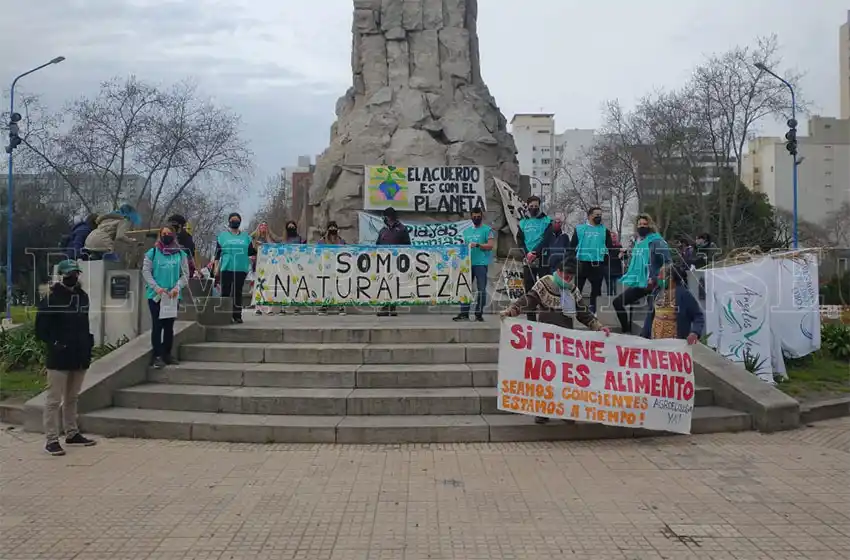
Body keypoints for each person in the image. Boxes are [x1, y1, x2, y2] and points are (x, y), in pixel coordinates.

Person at [500, 255, 612, 424]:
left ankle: (565, 411)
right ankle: (543, 411)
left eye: (570, 277)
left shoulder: (573, 290)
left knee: (565, 377)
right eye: (565, 275)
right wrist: (512, 311)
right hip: (544, 339)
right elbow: (528, 300)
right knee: (545, 375)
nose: (567, 279)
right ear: (558, 271)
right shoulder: (544, 283)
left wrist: (598, 326)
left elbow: (584, 313)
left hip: (565, 341)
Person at [34, 259, 97, 456]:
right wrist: (55, 344)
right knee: (54, 400)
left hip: (79, 354)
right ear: (62, 275)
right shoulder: (52, 298)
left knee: (72, 397)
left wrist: (87, 344)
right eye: (70, 274)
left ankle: (72, 432)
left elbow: (84, 323)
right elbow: (41, 329)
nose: (74, 277)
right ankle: (51, 439)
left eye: (76, 273)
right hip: (59, 356)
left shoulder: (82, 296)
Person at [613, 214, 670, 335]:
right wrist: (626, 256)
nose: (642, 227)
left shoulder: (657, 242)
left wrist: (654, 279)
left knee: (652, 312)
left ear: (650, 225)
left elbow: (668, 263)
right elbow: (636, 261)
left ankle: (646, 339)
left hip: (654, 284)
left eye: (645, 224)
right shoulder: (638, 242)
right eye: (640, 225)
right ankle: (626, 331)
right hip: (640, 282)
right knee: (617, 302)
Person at [142, 226, 189, 367]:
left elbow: (185, 274)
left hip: (172, 296)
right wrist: (157, 288)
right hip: (156, 295)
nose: (166, 236)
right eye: (164, 234)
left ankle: (167, 354)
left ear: (174, 236)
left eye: (169, 234)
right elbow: (146, 272)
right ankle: (156, 355)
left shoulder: (180, 254)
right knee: (157, 326)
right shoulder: (153, 253)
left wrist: (177, 287)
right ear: (160, 236)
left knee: (169, 326)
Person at [641, 262, 704, 344]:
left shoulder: (684, 295)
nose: (658, 277)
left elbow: (698, 316)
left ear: (670, 278)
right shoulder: (657, 291)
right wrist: (644, 335)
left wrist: (695, 332)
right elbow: (650, 315)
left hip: (674, 346)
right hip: (655, 342)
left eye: (661, 275)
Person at [569, 206, 614, 314]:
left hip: (597, 263)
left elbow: (609, 247)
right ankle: (576, 308)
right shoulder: (580, 229)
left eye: (600, 215)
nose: (599, 217)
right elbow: (572, 246)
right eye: (596, 215)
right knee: (578, 287)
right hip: (582, 262)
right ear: (589, 216)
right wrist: (571, 260)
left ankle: (594, 309)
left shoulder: (605, 231)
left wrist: (606, 261)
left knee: (596, 288)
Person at [453, 206, 494, 322]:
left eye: (478, 216)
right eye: (474, 216)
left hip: (481, 263)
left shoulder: (487, 230)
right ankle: (464, 313)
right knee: (465, 288)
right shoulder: (466, 232)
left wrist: (478, 245)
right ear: (471, 217)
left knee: (481, 289)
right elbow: (463, 247)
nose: (476, 218)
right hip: (468, 264)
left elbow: (490, 245)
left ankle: (478, 313)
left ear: (482, 216)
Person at [214, 212, 256, 324]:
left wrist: (257, 243)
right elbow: (217, 254)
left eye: (237, 220)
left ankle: (237, 315)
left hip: (240, 268)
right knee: (225, 292)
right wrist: (216, 268)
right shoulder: (222, 236)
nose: (235, 221)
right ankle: (224, 315)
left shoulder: (246, 237)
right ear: (229, 222)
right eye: (232, 220)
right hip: (226, 267)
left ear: (240, 222)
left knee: (237, 292)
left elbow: (252, 252)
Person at [516, 196, 553, 321]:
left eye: (536, 206)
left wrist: (535, 252)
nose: (533, 208)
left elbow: (547, 239)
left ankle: (546, 317)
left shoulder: (547, 221)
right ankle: (531, 319)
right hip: (528, 259)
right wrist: (527, 254)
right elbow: (520, 241)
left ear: (539, 206)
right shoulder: (522, 222)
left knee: (545, 287)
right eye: (531, 206)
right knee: (529, 289)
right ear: (527, 206)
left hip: (543, 258)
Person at [376, 207, 411, 317]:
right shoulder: (383, 230)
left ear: (389, 217)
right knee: (384, 284)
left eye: (385, 217)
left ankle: (392, 306)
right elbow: (377, 245)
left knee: (394, 284)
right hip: (383, 262)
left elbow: (408, 246)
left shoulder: (402, 229)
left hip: (397, 262)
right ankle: (385, 306)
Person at [250, 221, 281, 316]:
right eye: (261, 225)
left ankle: (269, 308)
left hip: (269, 265)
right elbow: (249, 251)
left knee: (269, 286)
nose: (263, 227)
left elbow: (277, 247)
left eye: (265, 226)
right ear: (258, 227)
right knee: (258, 286)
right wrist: (252, 256)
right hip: (257, 265)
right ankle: (258, 308)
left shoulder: (270, 239)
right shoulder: (253, 238)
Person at [318, 221, 347, 316]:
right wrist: (326, 237)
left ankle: (341, 306)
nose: (332, 231)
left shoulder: (341, 241)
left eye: (334, 228)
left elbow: (346, 251)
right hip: (326, 268)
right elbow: (318, 250)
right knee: (327, 286)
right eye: (330, 229)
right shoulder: (322, 241)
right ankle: (325, 305)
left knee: (340, 286)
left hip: (339, 268)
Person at [605, 232, 624, 296]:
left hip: (618, 271)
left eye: (614, 236)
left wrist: (624, 254)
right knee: (609, 290)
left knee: (618, 290)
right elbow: (608, 258)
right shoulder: (606, 247)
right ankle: (610, 305)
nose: (613, 237)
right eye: (611, 236)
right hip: (608, 272)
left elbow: (624, 258)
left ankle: (617, 304)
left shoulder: (619, 246)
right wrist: (618, 257)